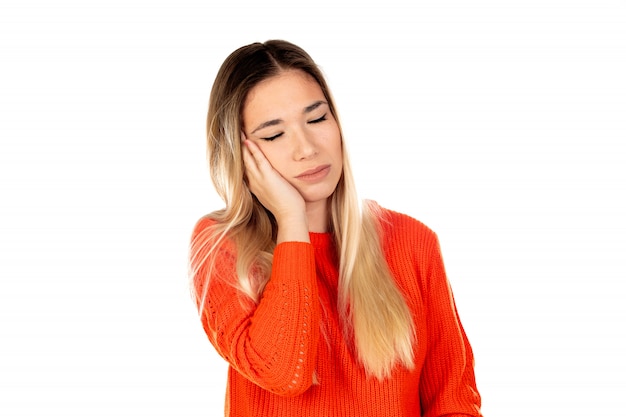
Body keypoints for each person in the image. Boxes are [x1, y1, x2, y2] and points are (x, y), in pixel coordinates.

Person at [189, 39, 482, 417]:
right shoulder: (221, 246)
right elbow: (283, 373)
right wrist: (292, 221)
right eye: (274, 135)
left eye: (317, 118)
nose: (307, 148)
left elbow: (453, 402)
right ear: (241, 154)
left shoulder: (412, 242)